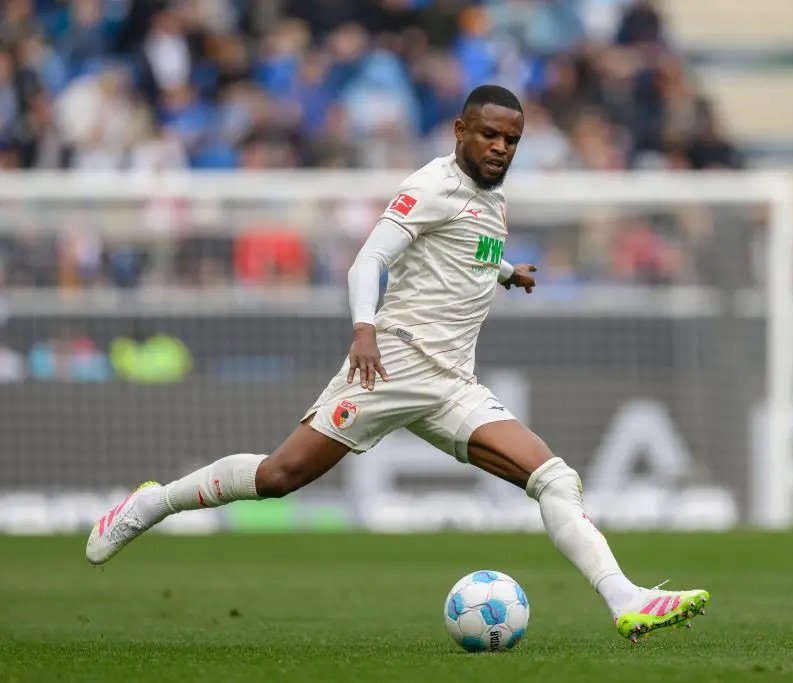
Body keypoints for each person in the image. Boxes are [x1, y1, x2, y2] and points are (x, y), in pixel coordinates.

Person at [85, 84, 709, 642]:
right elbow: (369, 260)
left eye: (512, 139)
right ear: (460, 131)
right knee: (279, 477)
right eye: (489, 134)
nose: (500, 147)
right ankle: (151, 504)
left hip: (450, 385)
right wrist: (364, 329)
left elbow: (462, 249)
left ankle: (627, 600)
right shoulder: (431, 186)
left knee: (555, 478)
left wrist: (503, 270)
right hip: (389, 370)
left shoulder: (490, 198)